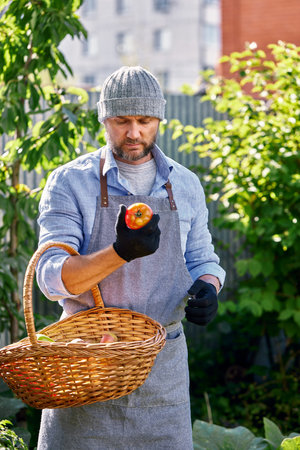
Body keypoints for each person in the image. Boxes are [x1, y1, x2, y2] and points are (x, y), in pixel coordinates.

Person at [36, 66, 226, 450]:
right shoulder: (70, 182)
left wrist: (209, 287)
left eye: (144, 120)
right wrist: (119, 252)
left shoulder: (185, 184)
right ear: (105, 119)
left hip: (162, 372)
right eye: (122, 120)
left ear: (159, 119)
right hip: (88, 367)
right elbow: (51, 277)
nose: (134, 132)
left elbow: (203, 257)